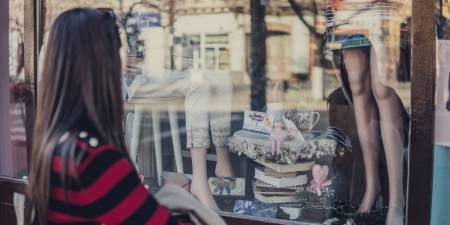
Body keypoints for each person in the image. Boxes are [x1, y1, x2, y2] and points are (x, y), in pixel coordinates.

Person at [26, 8, 221, 225]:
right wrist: (177, 196)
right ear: (102, 68)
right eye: (116, 53)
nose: (122, 66)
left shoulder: (55, 145)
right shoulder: (96, 160)